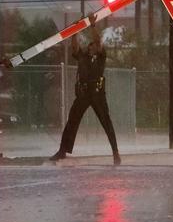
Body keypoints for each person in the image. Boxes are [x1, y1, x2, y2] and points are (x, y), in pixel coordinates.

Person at [50, 13, 121, 165]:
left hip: (97, 93)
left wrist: (93, 25)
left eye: (94, 46)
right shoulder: (83, 56)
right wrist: (75, 32)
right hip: (83, 94)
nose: (93, 47)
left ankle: (115, 152)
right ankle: (62, 151)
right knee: (72, 121)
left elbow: (98, 41)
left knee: (106, 122)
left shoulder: (101, 57)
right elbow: (75, 47)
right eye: (90, 46)